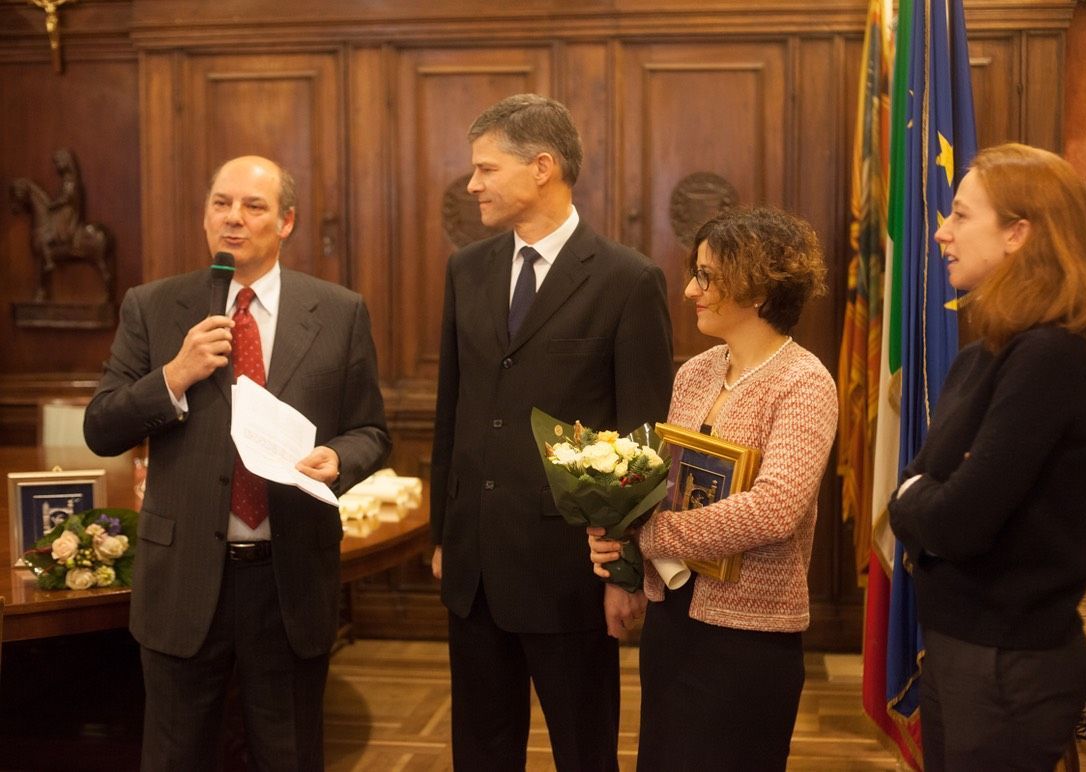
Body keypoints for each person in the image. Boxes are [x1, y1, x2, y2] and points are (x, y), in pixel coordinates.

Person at [83, 155, 391, 770]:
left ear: (286, 222)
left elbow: (372, 431)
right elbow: (100, 427)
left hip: (288, 579)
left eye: (254, 207)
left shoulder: (337, 311)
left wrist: (339, 457)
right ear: (204, 218)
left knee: (290, 755)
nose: (234, 219)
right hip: (184, 579)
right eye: (221, 204)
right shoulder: (153, 306)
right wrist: (172, 377)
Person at [429, 93, 673, 771]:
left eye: (485, 168)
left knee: (584, 752)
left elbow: (644, 441)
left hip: (568, 575)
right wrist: (443, 536)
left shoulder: (628, 281)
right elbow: (454, 411)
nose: (472, 184)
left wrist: (625, 572)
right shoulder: (465, 270)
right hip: (474, 570)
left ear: (541, 167)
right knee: (479, 751)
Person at [887, 143, 1086, 771]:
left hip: (1008, 663)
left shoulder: (1054, 354)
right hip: (960, 645)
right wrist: (927, 493)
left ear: (1018, 234)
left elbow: (958, 517)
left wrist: (920, 496)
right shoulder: (987, 354)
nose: (942, 233)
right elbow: (927, 490)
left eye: (962, 216)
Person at [589, 205, 838, 770]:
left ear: (756, 287)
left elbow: (775, 509)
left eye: (706, 276)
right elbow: (667, 491)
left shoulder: (804, 382)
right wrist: (622, 542)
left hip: (750, 638)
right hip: (674, 622)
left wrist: (649, 535)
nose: (689, 290)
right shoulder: (696, 373)